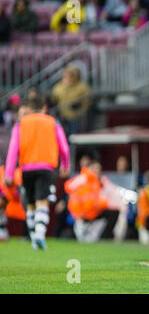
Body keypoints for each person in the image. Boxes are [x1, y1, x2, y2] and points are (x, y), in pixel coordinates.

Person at [4, 97, 70, 250]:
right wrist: (65, 164)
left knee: (31, 203)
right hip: (46, 167)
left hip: (26, 168)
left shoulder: (20, 123)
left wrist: (9, 173)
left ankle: (34, 238)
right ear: (44, 107)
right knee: (42, 201)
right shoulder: (53, 122)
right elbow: (64, 147)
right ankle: (39, 235)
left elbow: (13, 150)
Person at [51, 64, 91, 136]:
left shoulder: (82, 86)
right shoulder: (59, 86)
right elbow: (55, 99)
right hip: (62, 115)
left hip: (76, 116)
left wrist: (79, 107)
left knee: (75, 135)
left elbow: (87, 101)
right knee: (62, 134)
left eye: (71, 75)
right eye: (66, 75)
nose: (68, 77)